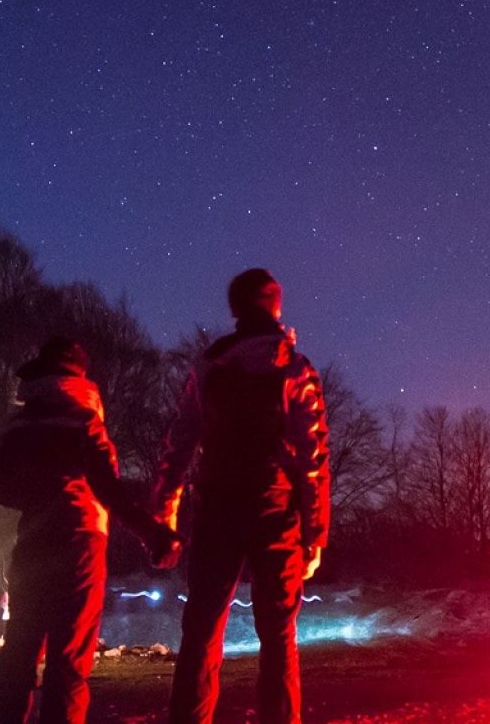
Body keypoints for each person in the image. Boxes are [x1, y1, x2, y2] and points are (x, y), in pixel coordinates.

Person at [154, 268, 330, 724]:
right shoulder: (293, 366)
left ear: (234, 310)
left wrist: (164, 513)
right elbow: (314, 456)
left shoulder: (209, 368)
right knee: (278, 637)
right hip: (275, 509)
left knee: (202, 629)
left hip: (216, 506)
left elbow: (179, 442)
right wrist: (315, 532)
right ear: (276, 307)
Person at [0, 337, 180, 724]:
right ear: (79, 377)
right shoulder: (84, 418)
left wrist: (38, 494)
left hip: (33, 544)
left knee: (18, 654)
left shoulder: (20, 423)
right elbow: (108, 488)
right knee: (69, 662)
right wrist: (153, 533)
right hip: (81, 541)